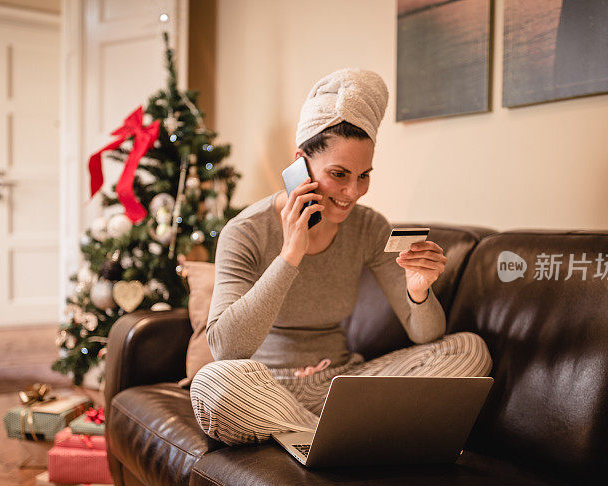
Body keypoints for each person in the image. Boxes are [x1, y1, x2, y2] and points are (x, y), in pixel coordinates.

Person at [189, 68, 492, 446]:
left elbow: (426, 335)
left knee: (468, 349)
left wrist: (418, 291)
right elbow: (226, 348)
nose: (353, 192)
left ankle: (320, 440)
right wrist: (290, 255)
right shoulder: (246, 231)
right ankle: (340, 440)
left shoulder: (368, 228)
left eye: (363, 175)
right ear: (301, 162)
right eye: (339, 173)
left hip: (342, 388)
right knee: (212, 385)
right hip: (265, 392)